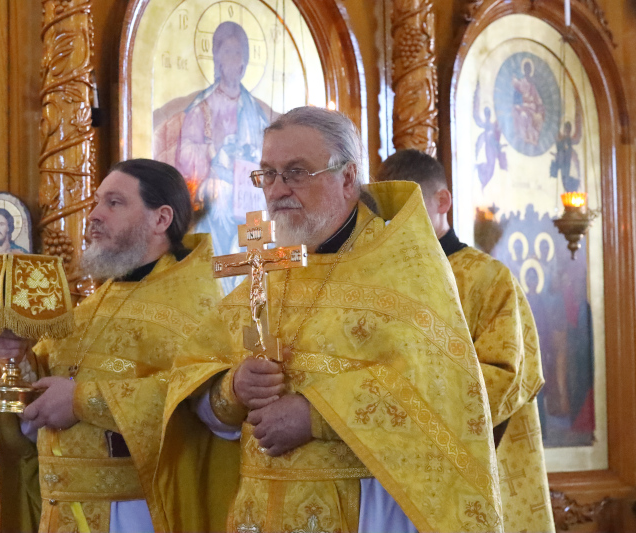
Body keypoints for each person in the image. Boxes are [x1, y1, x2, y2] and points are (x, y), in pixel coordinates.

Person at [160, 107, 503, 532]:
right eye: (267, 174)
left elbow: (442, 392)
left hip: (367, 510)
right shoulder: (268, 269)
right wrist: (233, 388)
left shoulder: (404, 267)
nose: (277, 190)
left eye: (296, 172)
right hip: (257, 511)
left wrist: (317, 415)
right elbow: (195, 384)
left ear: (346, 177)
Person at [0, 159, 224, 532]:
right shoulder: (97, 302)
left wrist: (81, 401)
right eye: (96, 202)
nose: (94, 215)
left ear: (161, 219)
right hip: (63, 509)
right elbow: (49, 382)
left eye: (114, 203)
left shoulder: (197, 305)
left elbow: (200, 399)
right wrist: (19, 360)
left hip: (139, 513)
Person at [377, 148, 554, 532]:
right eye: (383, 211)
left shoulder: (487, 278)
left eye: (405, 207)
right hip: (387, 470)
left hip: (466, 464)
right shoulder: (376, 281)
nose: (393, 222)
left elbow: (508, 376)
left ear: (442, 201)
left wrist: (405, 408)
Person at [176, 20, 274, 290]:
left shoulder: (254, 110)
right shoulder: (203, 107)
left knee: (264, 218)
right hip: (215, 183)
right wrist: (214, 152)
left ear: (246, 62)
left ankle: (252, 290)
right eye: (228, 52)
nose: (234, 60)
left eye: (239, 53)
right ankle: (220, 289)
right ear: (217, 59)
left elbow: (269, 153)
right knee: (218, 207)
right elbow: (185, 153)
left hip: (249, 189)